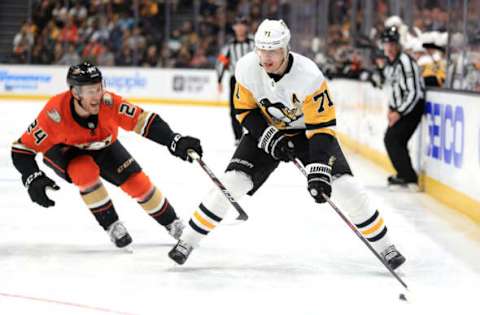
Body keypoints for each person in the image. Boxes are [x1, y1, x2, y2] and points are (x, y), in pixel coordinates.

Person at [168, 19, 406, 270]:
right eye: (262, 50)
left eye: (273, 51)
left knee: (344, 186)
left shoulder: (310, 76)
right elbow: (243, 110)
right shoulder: (247, 67)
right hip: (266, 132)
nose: (266, 57)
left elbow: (322, 127)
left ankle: (386, 246)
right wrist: (268, 135)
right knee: (230, 184)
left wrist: (320, 168)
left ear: (286, 49)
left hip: (308, 135)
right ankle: (187, 241)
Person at [11, 62, 203, 249]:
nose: (97, 95)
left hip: (103, 145)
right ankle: (112, 224)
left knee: (138, 183)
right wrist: (31, 176)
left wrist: (173, 139)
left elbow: (145, 122)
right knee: (84, 171)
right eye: (90, 91)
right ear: (75, 93)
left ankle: (172, 222)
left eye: (99, 87)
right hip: (65, 150)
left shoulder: (109, 102)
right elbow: (21, 149)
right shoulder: (54, 114)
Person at [380, 26, 425, 188]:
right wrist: (391, 109)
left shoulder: (406, 61)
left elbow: (414, 92)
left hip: (412, 108)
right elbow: (392, 88)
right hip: (400, 109)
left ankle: (408, 176)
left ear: (398, 44)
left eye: (392, 44)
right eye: (386, 44)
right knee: (394, 140)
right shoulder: (390, 64)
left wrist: (398, 112)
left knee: (393, 139)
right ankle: (405, 175)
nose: (389, 48)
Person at [216, 15, 255, 145]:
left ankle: (255, 133)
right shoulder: (229, 46)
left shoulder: (254, 43)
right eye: (237, 25)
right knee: (234, 109)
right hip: (235, 79)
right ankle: (238, 137)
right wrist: (219, 80)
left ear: (246, 27)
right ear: (233, 28)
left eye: (242, 25)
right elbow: (221, 63)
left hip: (252, 80)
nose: (240, 28)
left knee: (256, 107)